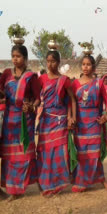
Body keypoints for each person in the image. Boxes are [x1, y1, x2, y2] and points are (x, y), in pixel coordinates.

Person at [0, 44, 41, 201]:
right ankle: (12, 187)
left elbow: (38, 98)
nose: (15, 59)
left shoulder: (31, 77)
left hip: (25, 120)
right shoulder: (6, 74)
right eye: (13, 56)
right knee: (10, 155)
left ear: (25, 58)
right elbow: (2, 93)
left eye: (18, 56)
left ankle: (19, 188)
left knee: (23, 155)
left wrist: (32, 106)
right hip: (10, 119)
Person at [37, 46, 76, 197]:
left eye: (53, 61)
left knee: (59, 152)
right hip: (46, 121)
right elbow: (34, 96)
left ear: (58, 62)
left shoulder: (64, 80)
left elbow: (72, 99)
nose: (50, 64)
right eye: (48, 61)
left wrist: (72, 117)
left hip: (60, 121)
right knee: (45, 151)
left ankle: (58, 184)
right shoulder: (42, 79)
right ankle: (46, 183)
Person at [71, 54, 107, 192]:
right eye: (83, 64)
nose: (85, 67)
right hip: (80, 122)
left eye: (88, 64)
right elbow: (71, 103)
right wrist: (71, 118)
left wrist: (106, 115)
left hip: (94, 122)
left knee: (95, 152)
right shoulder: (75, 84)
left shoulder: (98, 83)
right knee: (81, 152)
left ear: (93, 67)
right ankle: (81, 181)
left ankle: (101, 179)